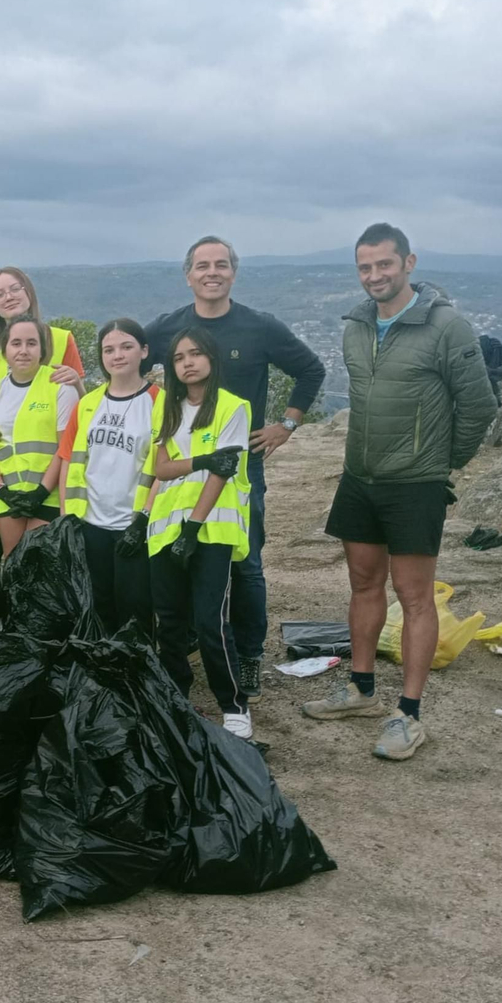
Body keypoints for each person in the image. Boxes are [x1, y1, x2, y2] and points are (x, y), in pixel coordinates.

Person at [304, 223, 495, 760]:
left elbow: (478, 407)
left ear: (408, 263)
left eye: (384, 265)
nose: (374, 276)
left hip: (415, 484)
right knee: (364, 585)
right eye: (365, 267)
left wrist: (440, 463)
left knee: (414, 598)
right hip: (359, 477)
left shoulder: (447, 327)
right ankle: (362, 689)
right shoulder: (356, 327)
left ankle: (408, 714)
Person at [145, 237, 325, 702]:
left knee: (244, 564)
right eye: (202, 266)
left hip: (241, 471)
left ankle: (246, 656)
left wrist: (286, 424)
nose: (212, 272)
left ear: (233, 272)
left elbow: (310, 369)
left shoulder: (258, 326)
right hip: (182, 472)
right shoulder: (169, 329)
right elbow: (123, 355)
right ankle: (188, 644)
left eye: (220, 265)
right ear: (188, 275)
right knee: (178, 559)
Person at [145, 324, 252, 738]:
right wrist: (204, 459)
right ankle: (176, 699)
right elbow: (160, 468)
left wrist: (193, 528)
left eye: (195, 354)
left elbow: (223, 474)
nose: (187, 363)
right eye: (178, 357)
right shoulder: (167, 407)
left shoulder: (232, 407)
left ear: (211, 357)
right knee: (169, 623)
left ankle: (234, 705)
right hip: (165, 527)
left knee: (211, 622)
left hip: (211, 530)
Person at [0, 267, 87, 560]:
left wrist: (80, 384)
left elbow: (81, 409)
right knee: (2, 559)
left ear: (29, 292)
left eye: (15, 288)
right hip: (3, 481)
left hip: (50, 482)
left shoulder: (61, 339)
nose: (8, 297)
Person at [60, 318, 160, 634]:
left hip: (134, 526)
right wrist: (67, 516)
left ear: (144, 351)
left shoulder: (161, 401)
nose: (117, 355)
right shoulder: (88, 403)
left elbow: (167, 469)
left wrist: (142, 520)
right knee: (99, 605)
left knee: (135, 609)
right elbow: (68, 461)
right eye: (109, 349)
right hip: (91, 524)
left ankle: (137, 674)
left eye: (126, 346)